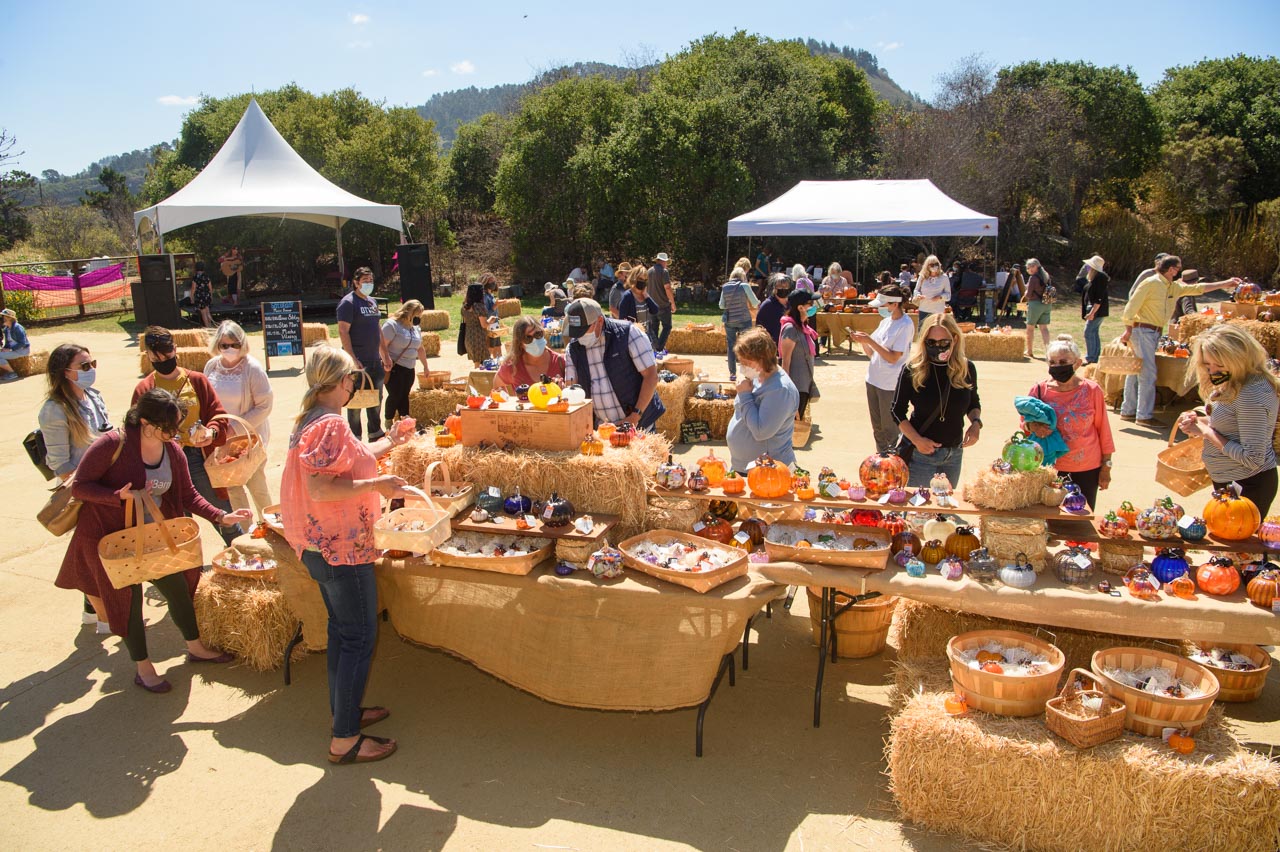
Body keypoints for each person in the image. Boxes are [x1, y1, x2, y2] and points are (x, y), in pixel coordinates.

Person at [55, 389, 253, 692]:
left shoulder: (172, 450)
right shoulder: (112, 444)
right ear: (145, 421)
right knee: (128, 601)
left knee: (178, 589)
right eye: (168, 428)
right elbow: (80, 486)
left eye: (175, 427)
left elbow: (188, 494)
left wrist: (220, 516)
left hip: (157, 538)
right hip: (115, 539)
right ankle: (143, 668)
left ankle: (196, 648)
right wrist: (115, 497)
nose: (173, 434)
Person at [281, 344, 415, 764]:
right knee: (359, 636)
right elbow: (321, 488)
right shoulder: (331, 426)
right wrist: (379, 487)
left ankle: (345, 712)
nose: (355, 384)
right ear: (343, 382)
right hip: (340, 546)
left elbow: (347, 462)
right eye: (353, 378)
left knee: (343, 632)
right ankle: (344, 739)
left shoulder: (315, 420)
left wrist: (388, 442)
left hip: (320, 546)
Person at [134, 327, 243, 544]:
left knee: (220, 508)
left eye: (167, 354)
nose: (162, 359)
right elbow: (136, 428)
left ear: (175, 349)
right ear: (148, 355)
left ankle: (241, 549)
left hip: (198, 457)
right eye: (155, 356)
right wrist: (160, 439)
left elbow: (218, 414)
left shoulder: (196, 380)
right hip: (164, 461)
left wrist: (211, 432)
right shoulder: (145, 388)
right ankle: (189, 567)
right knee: (178, 519)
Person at [40, 343, 115, 632]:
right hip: (85, 493)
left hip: (106, 486)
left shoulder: (94, 396)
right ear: (65, 372)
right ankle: (105, 616)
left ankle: (91, 610)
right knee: (95, 556)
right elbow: (59, 464)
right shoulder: (54, 410)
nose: (91, 370)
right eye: (84, 366)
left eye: (92, 363)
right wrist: (87, 491)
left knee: (100, 553)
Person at [1120, 255, 1239, 428]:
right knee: (1148, 372)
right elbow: (1131, 306)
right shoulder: (1151, 283)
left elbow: (1198, 288)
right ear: (1171, 269)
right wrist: (1128, 329)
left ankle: (1128, 410)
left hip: (1153, 332)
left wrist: (1224, 283)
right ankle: (1143, 415)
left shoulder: (1173, 287)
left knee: (1137, 370)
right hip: (1143, 330)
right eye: (1178, 268)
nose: (1179, 271)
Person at [1179, 324, 1280, 515]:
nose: (1212, 371)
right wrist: (1200, 422)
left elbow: (1253, 458)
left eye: (1219, 365)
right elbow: (1235, 424)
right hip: (1232, 481)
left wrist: (1207, 433)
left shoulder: (1251, 393)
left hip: (1248, 483)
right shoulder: (1241, 380)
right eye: (1208, 365)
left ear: (1238, 358)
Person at [892, 313, 983, 487]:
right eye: (931, 342)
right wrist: (917, 440)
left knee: (945, 508)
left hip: (954, 453)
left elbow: (973, 402)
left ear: (955, 339)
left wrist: (976, 423)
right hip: (921, 454)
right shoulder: (912, 369)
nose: (937, 347)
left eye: (943, 342)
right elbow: (896, 411)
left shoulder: (967, 368)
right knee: (919, 511)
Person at [1024, 335, 1114, 509]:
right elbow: (1024, 425)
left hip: (1087, 468)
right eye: (1053, 362)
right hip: (1049, 468)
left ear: (1078, 363)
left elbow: (1104, 430)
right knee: (1049, 521)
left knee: (1080, 523)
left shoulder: (1092, 390)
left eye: (1063, 361)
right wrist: (1032, 426)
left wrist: (1106, 467)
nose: (1058, 366)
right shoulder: (1039, 390)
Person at [204, 320, 274, 519]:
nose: (229, 349)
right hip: (222, 439)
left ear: (242, 343)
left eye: (234, 344)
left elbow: (264, 405)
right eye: (224, 345)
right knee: (233, 488)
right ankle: (246, 531)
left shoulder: (252, 368)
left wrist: (235, 428)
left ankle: (270, 527)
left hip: (249, 436)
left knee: (256, 484)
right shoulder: (211, 366)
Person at [562, 299, 664, 430]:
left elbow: (651, 376)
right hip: (602, 429)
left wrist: (635, 416)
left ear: (599, 321)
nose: (579, 337)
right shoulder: (573, 348)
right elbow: (572, 388)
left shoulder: (628, 333)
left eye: (583, 330)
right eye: (576, 332)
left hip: (639, 423)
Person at [725, 327, 800, 472]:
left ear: (762, 359)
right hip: (745, 467)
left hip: (768, 472)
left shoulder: (780, 390)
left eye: (746, 363)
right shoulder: (757, 376)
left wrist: (745, 395)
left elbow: (761, 432)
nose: (742, 367)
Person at [853, 284, 915, 453]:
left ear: (894, 304)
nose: (880, 308)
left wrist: (870, 341)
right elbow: (873, 353)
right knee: (877, 426)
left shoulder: (905, 324)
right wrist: (863, 341)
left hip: (890, 383)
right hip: (873, 379)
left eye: (883, 305)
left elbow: (894, 357)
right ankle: (881, 457)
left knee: (890, 427)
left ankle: (895, 460)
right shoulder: (885, 322)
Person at [337, 266, 387, 441]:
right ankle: (354, 438)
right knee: (355, 403)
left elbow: (377, 329)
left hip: (375, 361)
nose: (369, 284)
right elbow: (343, 331)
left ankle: (375, 434)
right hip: (357, 363)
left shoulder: (372, 302)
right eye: (365, 281)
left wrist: (385, 355)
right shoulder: (348, 303)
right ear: (356, 283)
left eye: (371, 281)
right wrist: (352, 358)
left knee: (376, 400)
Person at [379, 300, 430, 429]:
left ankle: (405, 420)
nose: (419, 317)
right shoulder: (392, 325)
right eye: (417, 314)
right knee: (396, 394)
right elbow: (382, 345)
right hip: (395, 367)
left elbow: (420, 348)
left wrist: (425, 366)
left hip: (410, 367)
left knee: (405, 394)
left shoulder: (415, 328)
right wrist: (386, 361)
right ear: (409, 312)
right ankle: (388, 419)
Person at [495, 316, 567, 392]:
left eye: (538, 334)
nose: (535, 340)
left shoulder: (560, 361)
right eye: (528, 338)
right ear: (520, 343)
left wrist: (564, 388)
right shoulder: (512, 366)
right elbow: (497, 386)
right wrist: (508, 402)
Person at [779, 291, 820, 421]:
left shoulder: (803, 327)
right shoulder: (790, 329)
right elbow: (785, 362)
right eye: (810, 304)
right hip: (795, 387)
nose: (813, 306)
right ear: (800, 307)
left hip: (804, 386)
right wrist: (788, 392)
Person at [720, 267, 760, 380]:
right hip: (744, 320)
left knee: (731, 346)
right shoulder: (745, 286)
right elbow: (754, 302)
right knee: (746, 346)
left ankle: (732, 373)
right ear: (743, 276)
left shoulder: (725, 287)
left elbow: (721, 306)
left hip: (730, 320)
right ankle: (747, 373)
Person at [1078, 255, 1110, 364]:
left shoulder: (1100, 278)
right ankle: (1094, 357)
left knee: (1088, 332)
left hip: (1097, 310)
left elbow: (1099, 298)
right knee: (1093, 332)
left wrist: (1092, 313)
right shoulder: (1095, 278)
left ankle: (1091, 357)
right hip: (1096, 310)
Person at [1023, 258, 1053, 358]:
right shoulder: (1046, 276)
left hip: (1035, 304)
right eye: (1028, 267)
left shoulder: (1033, 278)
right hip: (1047, 303)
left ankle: (1029, 350)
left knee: (1030, 328)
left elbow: (1028, 294)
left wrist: (1025, 292)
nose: (1030, 269)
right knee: (1044, 328)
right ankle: (1048, 350)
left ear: (1036, 266)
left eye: (1031, 267)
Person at [618, 273, 659, 345]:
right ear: (634, 279)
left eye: (645, 280)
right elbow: (622, 318)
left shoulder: (645, 295)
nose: (643, 282)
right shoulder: (628, 296)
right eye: (640, 279)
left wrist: (646, 295)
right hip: (633, 336)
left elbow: (655, 310)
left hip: (647, 335)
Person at [647, 252, 676, 354]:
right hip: (663, 305)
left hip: (651, 305)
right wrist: (672, 303)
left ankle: (654, 348)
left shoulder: (649, 271)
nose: (667, 264)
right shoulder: (664, 272)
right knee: (667, 327)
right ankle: (659, 347)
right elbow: (667, 288)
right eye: (666, 262)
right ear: (663, 261)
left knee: (654, 327)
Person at [912, 255, 951, 323]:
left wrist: (940, 297)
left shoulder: (944, 277)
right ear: (927, 266)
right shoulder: (922, 276)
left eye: (936, 264)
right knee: (923, 332)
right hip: (924, 309)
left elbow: (948, 295)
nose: (934, 266)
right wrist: (918, 295)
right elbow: (916, 290)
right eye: (932, 265)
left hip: (938, 311)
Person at [461, 283, 491, 368]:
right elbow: (484, 325)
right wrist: (491, 320)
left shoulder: (464, 307)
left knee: (477, 363)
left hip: (469, 337)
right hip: (479, 338)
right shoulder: (479, 307)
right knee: (481, 365)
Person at [754, 272, 790, 344]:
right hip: (772, 346)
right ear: (774, 288)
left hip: (788, 345)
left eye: (785, 286)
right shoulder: (767, 305)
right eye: (780, 286)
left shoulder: (790, 304)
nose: (783, 288)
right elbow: (759, 327)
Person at [0, 307, 30, 382]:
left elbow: (22, 343)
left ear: (9, 318)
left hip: (21, 350)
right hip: (14, 350)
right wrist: (4, 349)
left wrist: (10, 349)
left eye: (4, 317)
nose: (2, 318)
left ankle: (12, 373)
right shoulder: (7, 329)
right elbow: (8, 343)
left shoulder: (18, 328)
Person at [479, 273, 502, 359]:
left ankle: (499, 367)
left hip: (495, 325)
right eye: (490, 281)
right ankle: (486, 367)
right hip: (489, 325)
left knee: (498, 347)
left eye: (493, 281)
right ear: (485, 283)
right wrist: (496, 305)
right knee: (490, 349)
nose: (493, 283)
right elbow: (484, 313)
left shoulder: (491, 295)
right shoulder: (484, 296)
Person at [191, 262, 213, 328]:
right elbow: (210, 287)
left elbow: (193, 288)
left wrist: (191, 296)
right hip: (207, 295)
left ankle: (207, 327)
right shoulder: (206, 276)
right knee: (207, 311)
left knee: (203, 313)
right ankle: (211, 325)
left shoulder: (195, 277)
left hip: (200, 296)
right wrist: (211, 295)